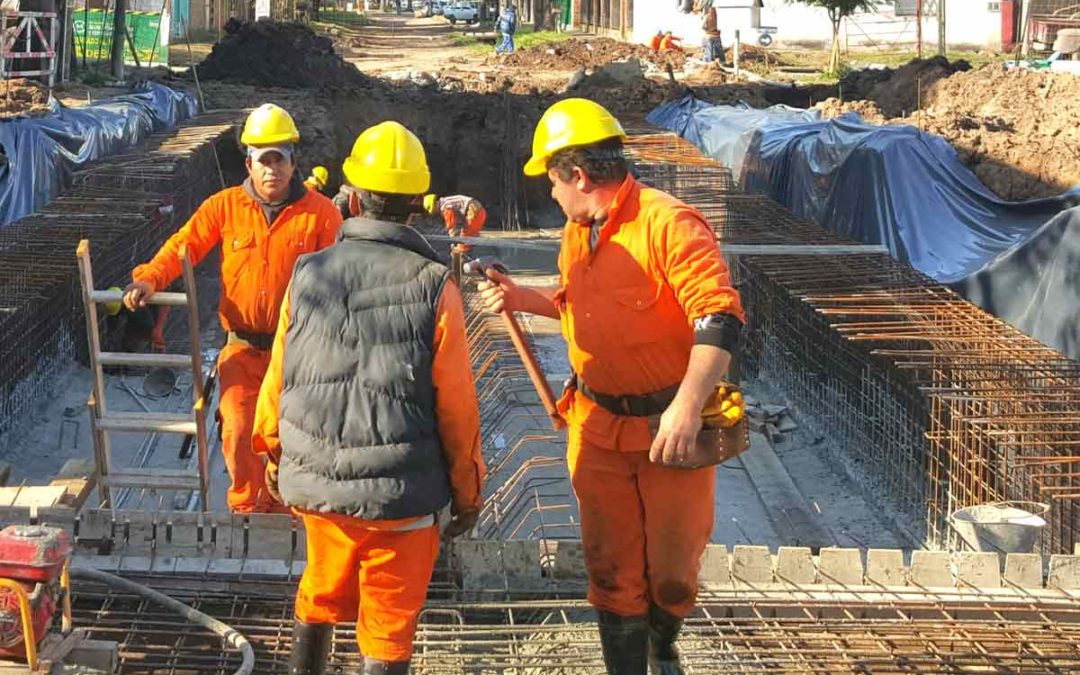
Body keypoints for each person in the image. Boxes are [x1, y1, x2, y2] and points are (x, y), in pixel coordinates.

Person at [478, 98, 745, 675]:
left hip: (668, 431)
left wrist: (686, 407)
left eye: (552, 180)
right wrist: (521, 299)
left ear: (577, 174)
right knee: (610, 569)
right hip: (597, 427)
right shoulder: (579, 232)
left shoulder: (668, 224)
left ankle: (661, 641)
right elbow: (581, 309)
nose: (550, 194)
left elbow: (719, 319)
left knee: (673, 573)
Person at [252, 121, 485, 675]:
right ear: (418, 206)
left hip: (318, 487)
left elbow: (278, 377)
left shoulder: (309, 272)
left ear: (352, 198)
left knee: (319, 591)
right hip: (401, 498)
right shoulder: (434, 285)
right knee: (386, 626)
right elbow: (456, 405)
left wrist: (271, 451)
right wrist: (468, 492)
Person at [123, 103, 343, 513]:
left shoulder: (321, 215)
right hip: (241, 350)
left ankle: (285, 515)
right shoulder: (223, 207)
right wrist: (149, 278)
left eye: (280, 160)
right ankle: (246, 512)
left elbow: (342, 280)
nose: (272, 170)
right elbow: (181, 248)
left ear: (294, 163)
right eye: (264, 161)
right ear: (249, 163)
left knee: (288, 436)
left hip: (295, 353)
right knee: (239, 430)